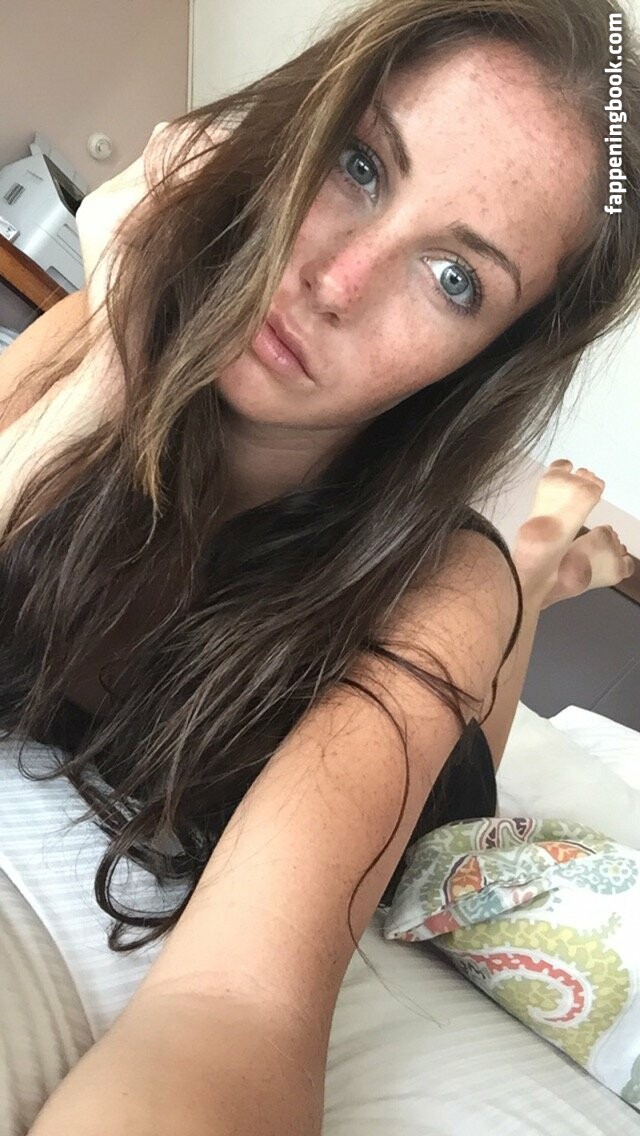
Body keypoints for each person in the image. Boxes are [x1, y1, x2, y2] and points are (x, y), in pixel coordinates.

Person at [0, 0, 638, 1131]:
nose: (336, 282)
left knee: (496, 608)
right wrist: (117, 340)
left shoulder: (442, 582)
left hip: (421, 709)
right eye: (360, 164)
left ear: (489, 360)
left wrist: (506, 578)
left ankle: (544, 561)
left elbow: (237, 1009)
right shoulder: (90, 340)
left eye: (455, 278)